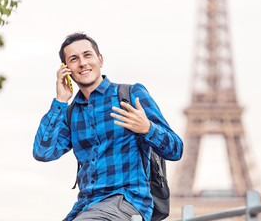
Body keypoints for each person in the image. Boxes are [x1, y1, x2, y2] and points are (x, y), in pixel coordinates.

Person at [33, 32, 183, 221]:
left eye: (87, 55)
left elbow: (176, 150)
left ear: (100, 59)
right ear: (66, 69)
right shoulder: (71, 113)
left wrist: (148, 129)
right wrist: (60, 100)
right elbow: (42, 152)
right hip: (86, 207)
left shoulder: (129, 94)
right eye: (73, 59)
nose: (82, 63)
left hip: (126, 202)